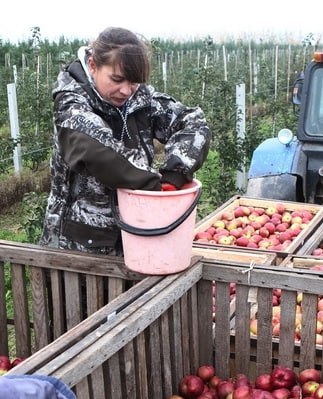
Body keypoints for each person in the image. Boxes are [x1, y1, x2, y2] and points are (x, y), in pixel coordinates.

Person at [38, 27, 212, 255]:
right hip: (80, 246)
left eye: (135, 81)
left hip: (137, 236)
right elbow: (95, 149)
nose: (126, 90)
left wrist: (175, 172)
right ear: (93, 65)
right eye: (117, 79)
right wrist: (153, 186)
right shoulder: (71, 102)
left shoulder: (141, 99)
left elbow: (192, 122)